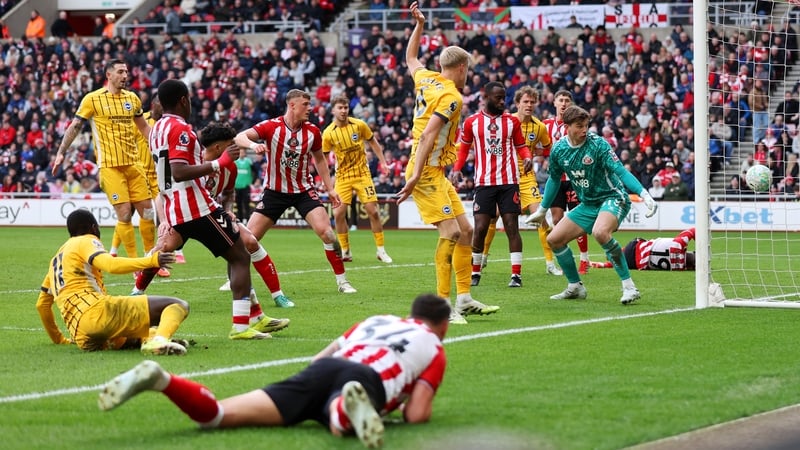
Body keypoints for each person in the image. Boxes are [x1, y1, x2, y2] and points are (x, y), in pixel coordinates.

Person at [98, 293, 451, 449]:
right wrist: (402, 407)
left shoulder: (376, 320)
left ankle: (162, 380)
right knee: (338, 417)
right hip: (369, 379)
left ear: (411, 313)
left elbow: (320, 358)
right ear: (442, 326)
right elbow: (418, 415)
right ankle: (344, 409)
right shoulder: (434, 347)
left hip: (324, 369)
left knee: (218, 416)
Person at [146, 79, 288, 340]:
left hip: (178, 205)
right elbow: (178, 171)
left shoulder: (157, 129)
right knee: (240, 256)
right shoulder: (181, 128)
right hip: (196, 206)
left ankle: (256, 316)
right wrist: (219, 163)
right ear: (183, 100)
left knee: (238, 249)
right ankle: (241, 326)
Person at [395, 1, 499, 324]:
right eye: (468, 69)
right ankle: (443, 306)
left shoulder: (426, 78)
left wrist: (419, 26)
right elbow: (427, 136)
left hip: (435, 170)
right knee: (452, 232)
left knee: (466, 231)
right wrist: (413, 178)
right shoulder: (452, 96)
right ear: (462, 68)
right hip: (425, 169)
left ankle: (465, 298)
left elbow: (410, 58)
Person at [135, 120, 296, 309]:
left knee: (249, 242)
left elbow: (229, 193)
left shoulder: (230, 167)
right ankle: (136, 292)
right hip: (184, 215)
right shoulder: (191, 162)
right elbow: (162, 194)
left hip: (209, 214)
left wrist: (228, 209)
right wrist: (163, 221)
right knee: (162, 248)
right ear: (219, 147)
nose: (235, 149)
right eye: (231, 145)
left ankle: (278, 296)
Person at [526, 105, 658, 305]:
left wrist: (643, 194)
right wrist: (543, 209)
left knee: (600, 232)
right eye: (579, 126)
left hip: (613, 198)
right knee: (554, 239)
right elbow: (553, 179)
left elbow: (621, 172)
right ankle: (575, 287)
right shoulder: (559, 150)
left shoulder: (598, 145)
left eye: (586, 125)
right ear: (566, 126)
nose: (584, 130)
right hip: (588, 204)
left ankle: (629, 287)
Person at [234, 89, 357, 294]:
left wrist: (330, 189)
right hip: (274, 191)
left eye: (310, 104)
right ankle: (234, 279)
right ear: (292, 106)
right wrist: (253, 145)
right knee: (249, 239)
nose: (310, 108)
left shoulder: (313, 132)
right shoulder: (271, 126)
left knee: (327, 233)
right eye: (305, 105)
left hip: (303, 190)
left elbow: (320, 160)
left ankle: (343, 282)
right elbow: (239, 137)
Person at [35, 209, 189, 355]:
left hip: (82, 336)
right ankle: (159, 341)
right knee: (177, 305)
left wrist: (60, 340)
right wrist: (151, 261)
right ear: (94, 228)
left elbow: (42, 305)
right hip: (96, 313)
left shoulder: (55, 261)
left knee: (138, 331)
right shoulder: (86, 240)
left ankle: (152, 339)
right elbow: (110, 265)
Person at [53, 60, 156, 264]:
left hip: (134, 164)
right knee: (125, 214)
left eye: (126, 71)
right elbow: (75, 126)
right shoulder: (92, 99)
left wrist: (160, 145)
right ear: (108, 75)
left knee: (148, 211)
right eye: (120, 72)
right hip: (110, 166)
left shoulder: (132, 99)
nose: (125, 75)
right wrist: (61, 152)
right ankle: (136, 264)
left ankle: (151, 258)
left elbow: (144, 128)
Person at [452, 81, 532, 288]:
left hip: (508, 182)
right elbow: (464, 149)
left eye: (504, 97)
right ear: (486, 97)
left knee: (512, 227)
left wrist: (528, 157)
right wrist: (457, 168)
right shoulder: (472, 122)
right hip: (484, 182)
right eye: (498, 97)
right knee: (479, 228)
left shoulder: (512, 122)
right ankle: (475, 271)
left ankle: (516, 275)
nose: (502, 101)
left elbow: (521, 146)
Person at [479, 86, 563, 277]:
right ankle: (483, 257)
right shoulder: (505, 121)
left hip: (526, 179)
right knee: (493, 218)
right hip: (504, 176)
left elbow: (548, 148)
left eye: (532, 102)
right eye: (525, 101)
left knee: (541, 218)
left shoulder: (539, 127)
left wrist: (536, 153)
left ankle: (550, 263)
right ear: (517, 103)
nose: (529, 105)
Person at [109, 96, 177, 276]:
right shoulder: (140, 120)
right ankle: (121, 253)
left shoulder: (169, 125)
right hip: (140, 174)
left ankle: (150, 258)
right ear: (154, 105)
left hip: (160, 177)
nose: (160, 109)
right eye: (158, 105)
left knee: (155, 217)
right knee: (129, 213)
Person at [322, 94, 393, 264]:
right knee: (338, 213)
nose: (344, 111)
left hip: (362, 174)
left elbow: (373, 142)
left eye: (346, 107)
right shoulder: (328, 133)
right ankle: (346, 251)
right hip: (343, 177)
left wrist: (383, 163)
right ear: (333, 110)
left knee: (373, 211)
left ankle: (381, 251)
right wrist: (326, 180)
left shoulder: (359, 125)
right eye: (340, 108)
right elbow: (322, 158)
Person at [543, 90, 591, 275]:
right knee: (556, 219)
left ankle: (584, 259)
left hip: (574, 179)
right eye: (560, 100)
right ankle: (563, 256)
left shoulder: (576, 125)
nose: (563, 103)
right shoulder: (546, 125)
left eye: (567, 100)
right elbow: (541, 147)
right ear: (554, 102)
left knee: (578, 218)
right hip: (556, 179)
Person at [591, 228, 696, 271]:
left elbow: (694, 230)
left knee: (626, 252)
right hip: (635, 264)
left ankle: (608, 260)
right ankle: (606, 263)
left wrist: (699, 242)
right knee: (622, 261)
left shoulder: (679, 243)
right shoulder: (679, 268)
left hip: (634, 250)